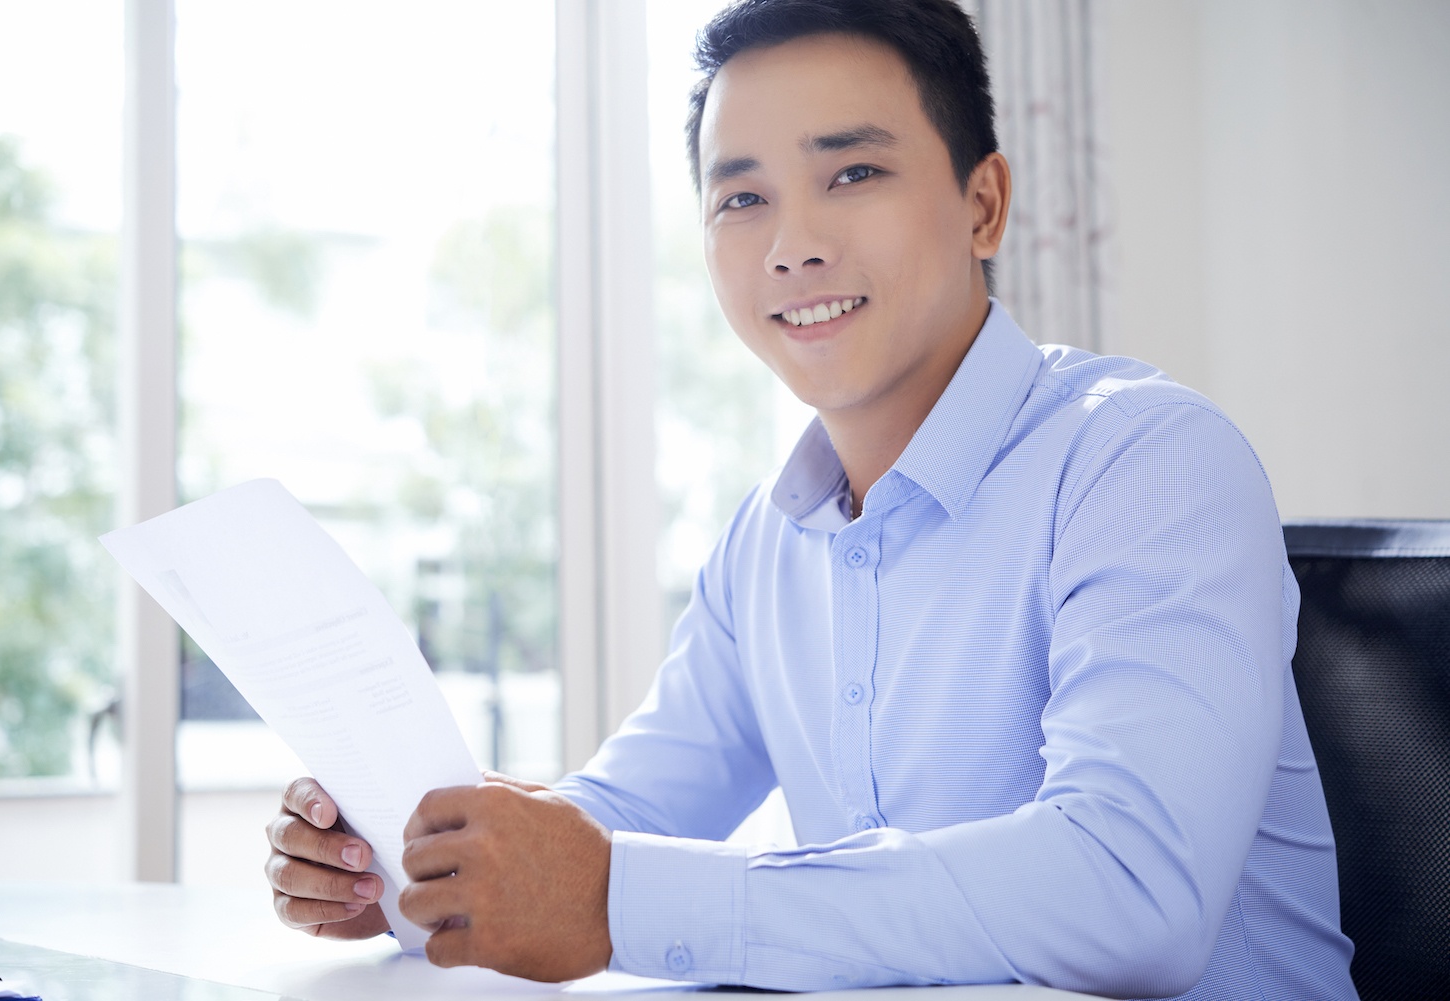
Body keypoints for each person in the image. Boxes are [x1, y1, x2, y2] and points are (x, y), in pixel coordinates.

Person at [264, 1, 1359, 996]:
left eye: (852, 174)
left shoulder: (1145, 459)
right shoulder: (769, 538)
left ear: (984, 204)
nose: (793, 246)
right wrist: (419, 872)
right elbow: (623, 816)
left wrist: (614, 899)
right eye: (742, 197)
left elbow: (1128, 887)